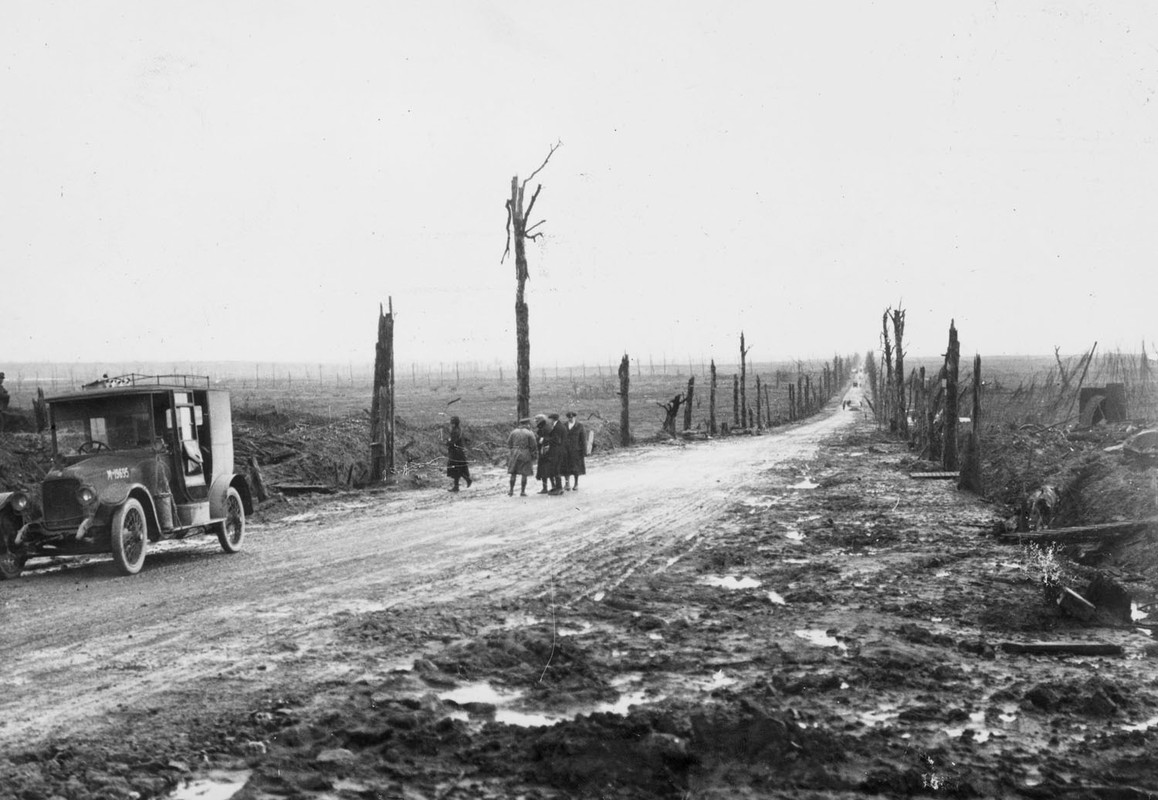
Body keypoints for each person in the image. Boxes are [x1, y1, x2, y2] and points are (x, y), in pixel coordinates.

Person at [506, 418, 538, 497]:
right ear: (527, 424)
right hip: (525, 452)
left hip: (514, 453)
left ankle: (511, 491)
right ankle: (522, 491)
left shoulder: (513, 432)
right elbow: (534, 445)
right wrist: (534, 455)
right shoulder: (529, 433)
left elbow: (508, 443)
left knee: (513, 472)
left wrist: (513, 449)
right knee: (524, 472)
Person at [445, 416, 472, 492]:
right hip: (459, 452)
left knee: (456, 469)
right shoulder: (458, 430)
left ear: (455, 424)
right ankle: (458, 485)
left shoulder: (455, 431)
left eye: (452, 423)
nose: (451, 424)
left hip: (455, 453)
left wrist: (447, 443)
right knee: (457, 469)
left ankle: (465, 481)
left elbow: (453, 441)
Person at [563, 411, 587, 491]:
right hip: (566, 450)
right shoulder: (564, 426)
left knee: (576, 468)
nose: (571, 419)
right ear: (567, 418)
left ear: (575, 417)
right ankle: (567, 484)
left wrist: (584, 451)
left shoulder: (579, 426)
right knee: (566, 467)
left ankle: (576, 483)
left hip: (576, 450)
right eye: (569, 417)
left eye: (572, 417)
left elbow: (583, 440)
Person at [544, 413, 567, 495]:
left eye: (549, 419)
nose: (548, 421)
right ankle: (557, 487)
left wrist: (547, 441)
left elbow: (556, 440)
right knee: (555, 468)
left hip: (557, 451)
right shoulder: (559, 426)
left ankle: (559, 488)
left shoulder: (558, 427)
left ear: (552, 419)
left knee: (556, 469)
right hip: (559, 450)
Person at [533, 414, 552, 494]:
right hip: (542, 451)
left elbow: (550, 438)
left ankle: (550, 487)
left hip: (547, 451)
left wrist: (542, 440)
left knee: (548, 469)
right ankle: (545, 487)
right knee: (544, 470)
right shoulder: (542, 428)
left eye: (537, 421)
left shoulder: (546, 428)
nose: (536, 423)